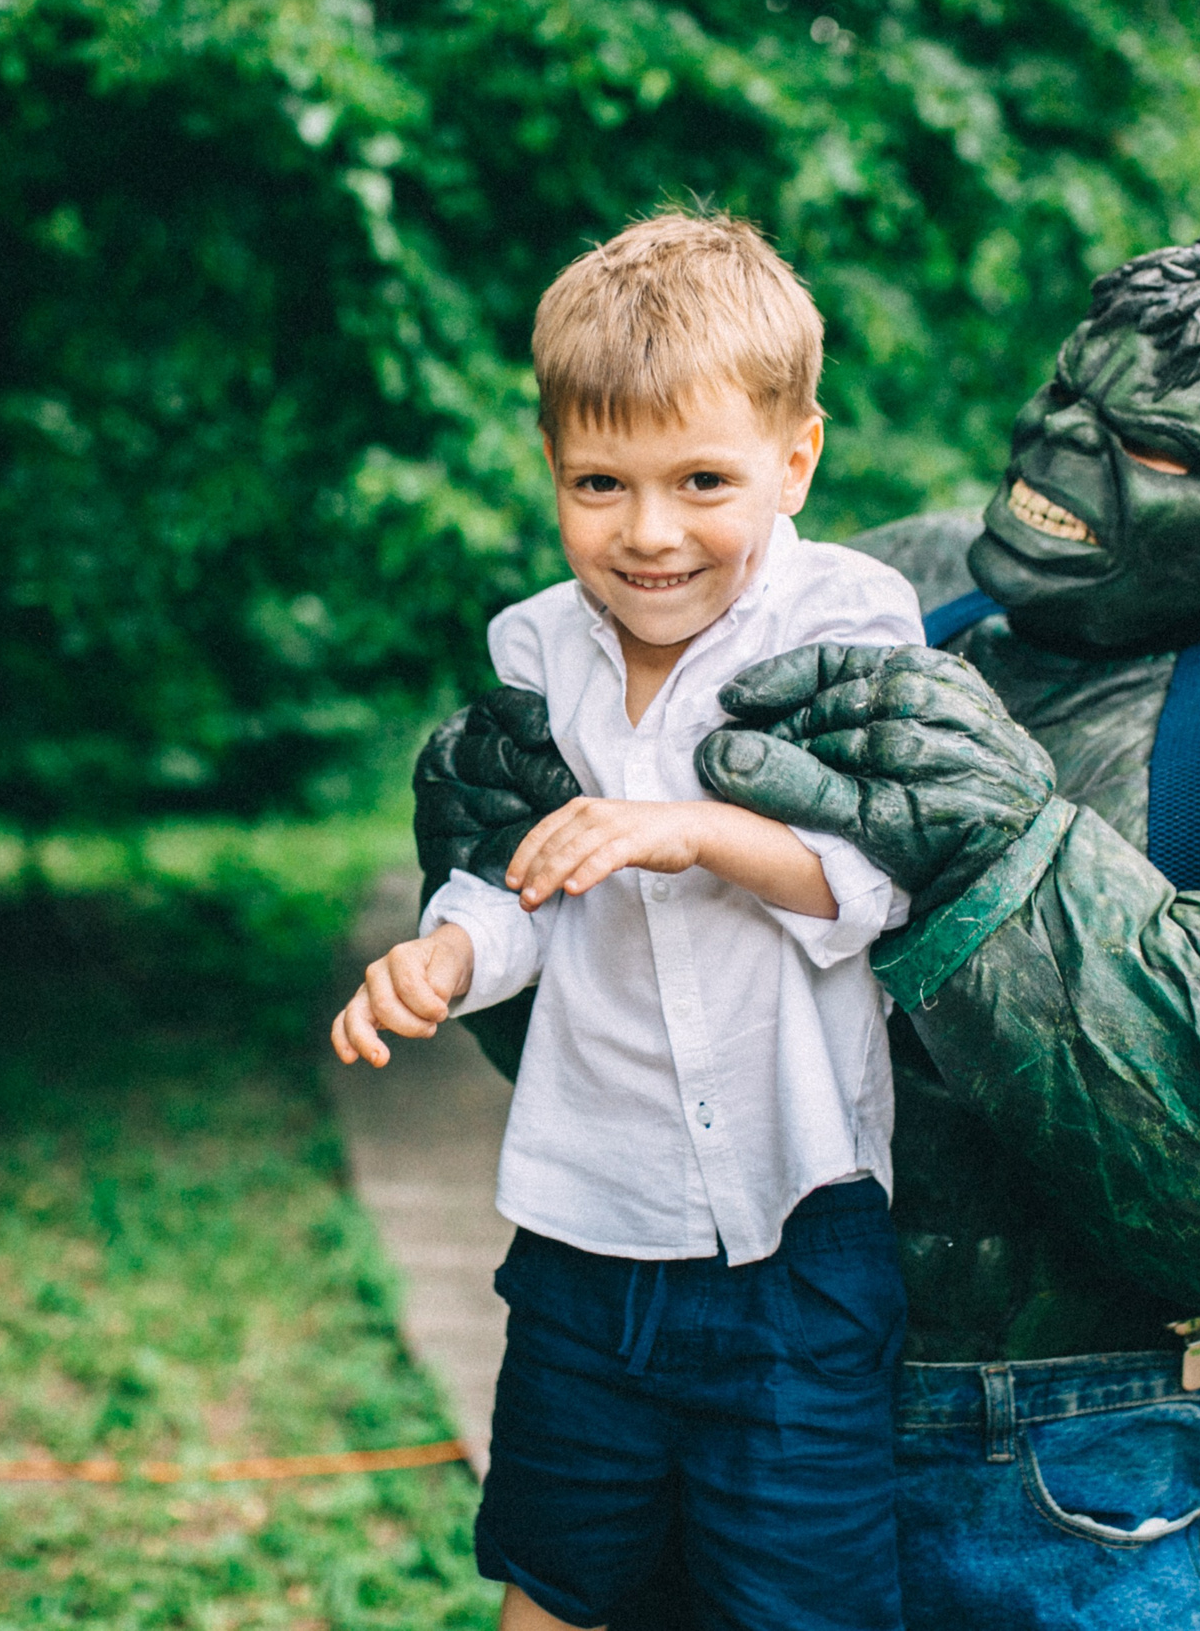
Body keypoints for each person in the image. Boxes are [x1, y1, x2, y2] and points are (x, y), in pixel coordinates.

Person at [416, 237, 1200, 1628]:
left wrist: (1012, 860)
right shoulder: (859, 599)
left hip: (1062, 1441)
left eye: (1150, 448)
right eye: (1065, 398)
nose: (1059, 448)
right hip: (750, 1363)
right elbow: (667, 1003)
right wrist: (505, 855)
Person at [330, 212, 928, 1631]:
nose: (649, 532)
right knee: (555, 1572)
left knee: (799, 1602)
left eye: (703, 480)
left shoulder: (849, 621)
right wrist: (449, 953)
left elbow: (882, 878)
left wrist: (696, 827)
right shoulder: (538, 645)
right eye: (602, 483)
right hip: (587, 1224)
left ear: (797, 459)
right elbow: (528, 876)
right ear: (553, 474)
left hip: (799, 1235)